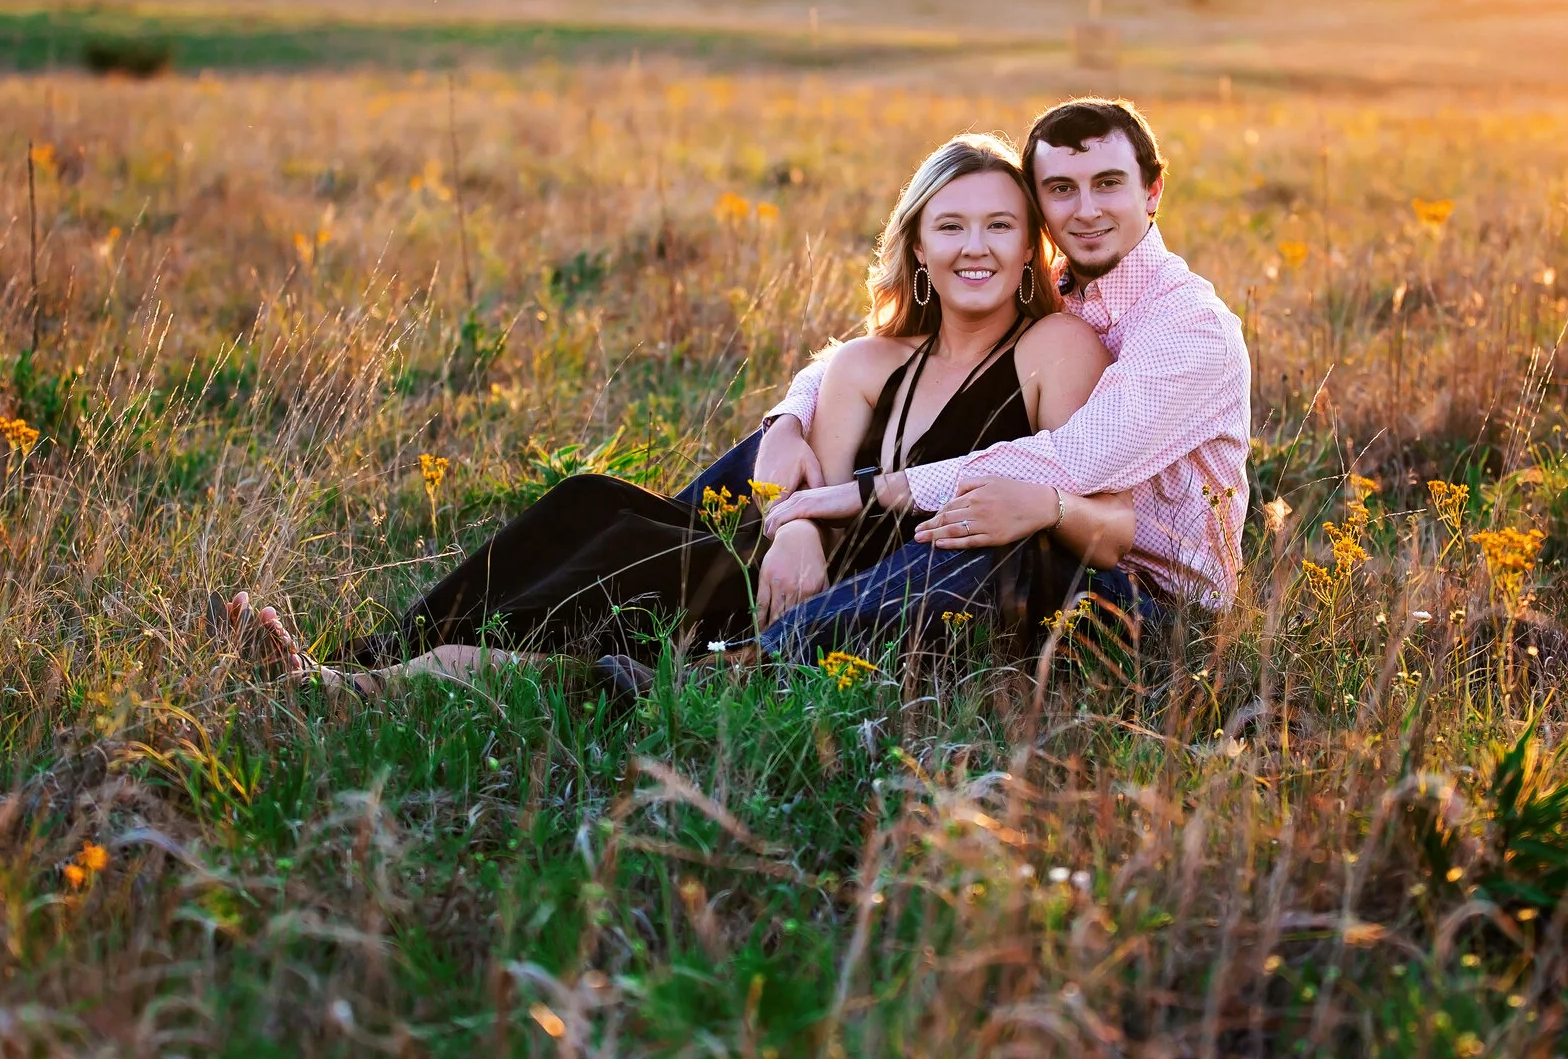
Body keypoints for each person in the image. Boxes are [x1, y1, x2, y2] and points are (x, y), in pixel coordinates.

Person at [242, 133, 1133, 693]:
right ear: (916, 246)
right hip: (807, 588)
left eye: (1000, 227)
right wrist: (789, 528)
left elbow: (1092, 508)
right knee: (593, 502)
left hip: (930, 604)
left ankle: (399, 681)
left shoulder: (1054, 349)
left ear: (1029, 251)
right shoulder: (867, 364)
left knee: (650, 603)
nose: (973, 246)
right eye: (950, 226)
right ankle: (369, 666)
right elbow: (812, 497)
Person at [756, 98, 1252, 636]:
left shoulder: (1189, 327)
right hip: (1068, 552)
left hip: (1159, 608)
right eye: (1061, 188)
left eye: (1108, 183)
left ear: (1152, 192)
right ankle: (666, 600)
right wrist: (784, 421)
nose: (1085, 210)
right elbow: (864, 356)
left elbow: (1070, 460)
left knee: (993, 543)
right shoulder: (1060, 285)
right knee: (775, 462)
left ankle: (750, 660)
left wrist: (865, 493)